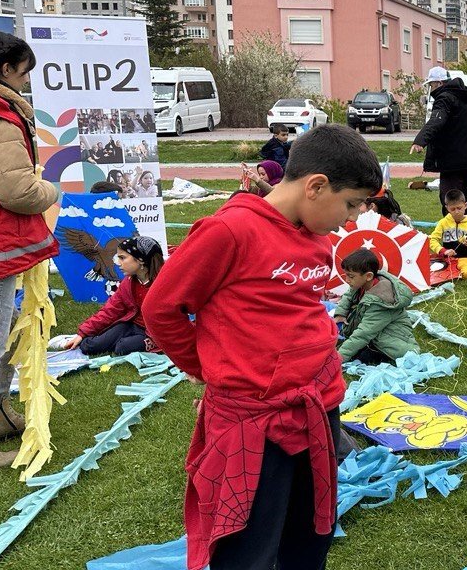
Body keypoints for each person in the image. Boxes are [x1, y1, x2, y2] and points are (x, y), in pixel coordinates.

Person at [142, 123, 382, 570]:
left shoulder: (315, 234)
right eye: (350, 204)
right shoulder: (228, 232)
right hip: (254, 423)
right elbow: (161, 307)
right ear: (315, 186)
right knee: (250, 545)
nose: (350, 220)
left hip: (317, 407)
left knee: (312, 531)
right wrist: (205, 365)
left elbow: (296, 308)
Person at [0, 32, 60, 468]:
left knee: (3, 333)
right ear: (5, 69)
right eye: (24, 71)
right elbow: (16, 190)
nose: (26, 80)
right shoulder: (1, 117)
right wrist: (49, 189)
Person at [64, 236, 163, 356]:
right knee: (90, 346)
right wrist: (82, 333)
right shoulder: (128, 282)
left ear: (141, 260)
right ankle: (71, 340)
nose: (117, 262)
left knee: (122, 347)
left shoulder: (165, 284)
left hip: (157, 333)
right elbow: (111, 310)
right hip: (131, 325)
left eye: (122, 258)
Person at [408, 67, 467, 219]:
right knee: (464, 198)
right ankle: (466, 232)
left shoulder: (445, 98)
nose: (431, 88)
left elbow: (436, 120)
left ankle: (453, 235)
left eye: (432, 85)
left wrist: (420, 141)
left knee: (450, 199)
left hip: (452, 161)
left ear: (439, 83)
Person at [332, 249, 421, 364]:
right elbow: (349, 294)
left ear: (368, 276)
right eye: (346, 275)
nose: (347, 280)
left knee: (362, 356)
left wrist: (338, 359)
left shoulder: (380, 302)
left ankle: (375, 352)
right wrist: (340, 313)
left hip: (391, 343)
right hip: (372, 330)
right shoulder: (362, 283)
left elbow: (363, 334)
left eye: (351, 276)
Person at [428, 189, 467, 280]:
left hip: (465, 258)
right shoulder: (443, 223)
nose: (456, 212)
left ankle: (460, 271)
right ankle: (453, 272)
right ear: (447, 208)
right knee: (432, 275)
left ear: (465, 205)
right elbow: (432, 239)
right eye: (453, 209)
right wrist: (443, 251)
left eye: (459, 208)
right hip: (447, 259)